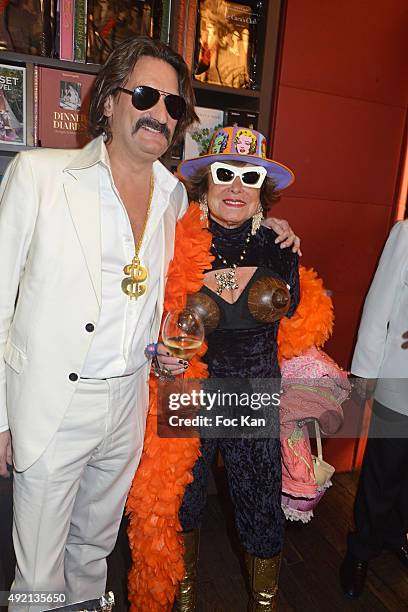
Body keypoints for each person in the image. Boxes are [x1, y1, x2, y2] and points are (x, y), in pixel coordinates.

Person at [0, 37, 299, 609]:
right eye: (145, 95)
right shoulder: (39, 176)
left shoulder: (173, 201)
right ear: (110, 100)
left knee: (94, 552)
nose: (160, 114)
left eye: (174, 106)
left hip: (132, 407)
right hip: (51, 405)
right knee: (37, 573)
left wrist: (283, 233)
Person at [127, 126, 300, 612]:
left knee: (259, 504)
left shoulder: (280, 246)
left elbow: (295, 317)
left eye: (249, 178)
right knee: (180, 503)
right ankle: (182, 601)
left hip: (252, 393)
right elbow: (144, 312)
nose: (236, 188)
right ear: (205, 183)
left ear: (262, 191)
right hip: (188, 391)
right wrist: (158, 354)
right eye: (225, 174)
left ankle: (264, 603)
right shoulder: (172, 238)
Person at [340, 219, 408, 599]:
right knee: (384, 469)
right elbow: (379, 303)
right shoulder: (407, 233)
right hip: (402, 378)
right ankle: (361, 548)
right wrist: (364, 371)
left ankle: (396, 534)